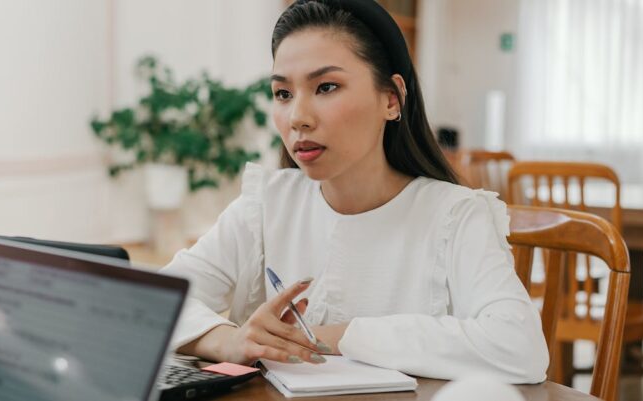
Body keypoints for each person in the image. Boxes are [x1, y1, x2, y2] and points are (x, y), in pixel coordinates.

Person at [163, 0, 548, 383]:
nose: (298, 117)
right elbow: (158, 302)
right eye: (283, 93)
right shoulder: (267, 203)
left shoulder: (456, 215)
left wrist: (338, 336)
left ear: (391, 99)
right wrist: (230, 341)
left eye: (326, 87)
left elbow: (519, 347)